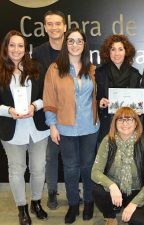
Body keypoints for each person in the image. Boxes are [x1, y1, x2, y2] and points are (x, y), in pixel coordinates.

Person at [43, 27, 99, 224]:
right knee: (70, 168)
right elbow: (49, 99)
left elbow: (96, 96)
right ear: (66, 45)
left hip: (90, 128)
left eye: (79, 41)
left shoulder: (91, 69)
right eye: (71, 41)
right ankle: (74, 203)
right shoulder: (55, 69)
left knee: (87, 166)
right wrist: (52, 125)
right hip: (65, 127)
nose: (75, 45)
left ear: (85, 45)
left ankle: (89, 201)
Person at [0, 30, 49, 225]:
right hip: (11, 130)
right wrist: (8, 110)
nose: (16, 49)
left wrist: (35, 106)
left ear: (25, 49)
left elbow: (48, 95)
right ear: (6, 47)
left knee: (38, 169)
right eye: (12, 45)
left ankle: (36, 202)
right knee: (16, 170)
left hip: (37, 128)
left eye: (20, 45)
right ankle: (22, 208)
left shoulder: (36, 67)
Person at [92, 107, 144, 225]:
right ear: (115, 123)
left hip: (137, 191)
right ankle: (110, 216)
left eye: (129, 119)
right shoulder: (108, 141)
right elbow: (95, 172)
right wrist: (112, 186)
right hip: (115, 190)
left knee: (139, 222)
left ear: (136, 122)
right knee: (97, 189)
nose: (125, 123)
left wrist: (134, 203)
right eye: (120, 120)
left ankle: (128, 206)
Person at [32, 10, 67, 210]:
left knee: (73, 157)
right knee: (50, 156)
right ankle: (52, 192)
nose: (54, 28)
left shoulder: (74, 47)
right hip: (48, 112)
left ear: (64, 27)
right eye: (50, 24)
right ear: (45, 28)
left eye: (58, 24)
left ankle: (72, 192)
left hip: (72, 113)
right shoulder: (38, 52)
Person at [96, 34, 141, 143]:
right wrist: (100, 102)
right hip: (107, 124)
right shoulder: (100, 73)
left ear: (126, 52)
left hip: (128, 125)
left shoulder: (135, 74)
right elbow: (96, 99)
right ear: (108, 52)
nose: (117, 53)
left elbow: (139, 102)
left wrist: (139, 107)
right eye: (113, 49)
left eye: (120, 49)